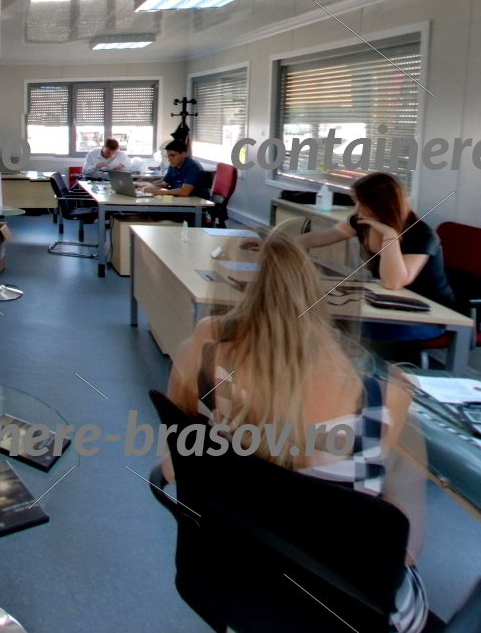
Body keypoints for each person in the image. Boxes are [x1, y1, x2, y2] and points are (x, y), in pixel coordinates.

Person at [166, 224, 431, 632]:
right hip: (346, 613)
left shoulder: (200, 365)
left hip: (231, 576)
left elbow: (172, 469)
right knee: (398, 468)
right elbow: (405, 551)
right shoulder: (386, 398)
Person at [285, 172, 452, 346]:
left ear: (383, 205)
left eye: (364, 204)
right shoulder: (362, 221)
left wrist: (389, 235)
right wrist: (284, 245)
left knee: (344, 325)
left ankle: (362, 362)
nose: (358, 209)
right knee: (320, 315)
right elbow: (320, 237)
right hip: (385, 303)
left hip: (428, 316)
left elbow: (393, 283)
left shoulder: (421, 234)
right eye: (357, 202)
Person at [142, 139, 210, 197]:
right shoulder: (173, 166)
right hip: (180, 200)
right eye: (168, 156)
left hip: (196, 203)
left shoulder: (192, 168)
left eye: (172, 155)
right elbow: (165, 182)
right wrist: (146, 186)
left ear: (183, 154)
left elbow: (184, 192)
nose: (169, 159)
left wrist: (159, 192)